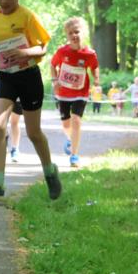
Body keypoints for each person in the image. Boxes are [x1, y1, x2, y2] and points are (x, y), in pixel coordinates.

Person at [0, 0, 61, 201]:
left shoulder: (27, 17)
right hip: (7, 78)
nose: (3, 1)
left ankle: (50, 172)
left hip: (29, 77)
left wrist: (23, 52)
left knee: (33, 133)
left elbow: (42, 48)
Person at [50, 17, 99, 169]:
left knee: (76, 120)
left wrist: (97, 81)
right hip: (63, 92)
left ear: (82, 32)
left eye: (76, 32)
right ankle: (71, 139)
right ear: (67, 35)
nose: (74, 35)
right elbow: (52, 65)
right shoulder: (62, 51)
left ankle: (74, 156)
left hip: (80, 92)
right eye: (70, 33)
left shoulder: (89, 53)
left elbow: (94, 67)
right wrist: (54, 80)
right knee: (66, 123)